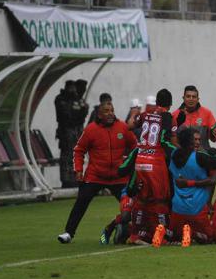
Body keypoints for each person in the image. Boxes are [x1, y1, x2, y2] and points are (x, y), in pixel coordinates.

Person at [57, 102, 137, 243]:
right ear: (99, 115)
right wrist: (79, 170)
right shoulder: (91, 130)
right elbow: (79, 150)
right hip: (95, 176)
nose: (110, 113)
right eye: (106, 111)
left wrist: (129, 165)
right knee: (81, 202)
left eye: (112, 110)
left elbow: (135, 147)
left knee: (133, 206)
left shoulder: (123, 128)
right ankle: (68, 233)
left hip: (119, 177)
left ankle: (129, 232)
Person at [125, 89, 176, 244]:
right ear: (170, 103)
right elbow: (167, 140)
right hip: (156, 162)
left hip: (141, 160)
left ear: (157, 103)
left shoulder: (146, 114)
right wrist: (179, 152)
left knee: (142, 197)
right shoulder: (168, 117)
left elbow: (130, 125)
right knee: (160, 198)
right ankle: (161, 235)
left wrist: (134, 112)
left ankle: (136, 234)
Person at [167, 128, 216, 246]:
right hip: (197, 208)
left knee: (175, 238)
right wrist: (214, 152)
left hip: (177, 208)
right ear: (188, 141)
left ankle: (171, 233)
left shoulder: (173, 155)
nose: (198, 142)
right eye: (195, 140)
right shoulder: (199, 157)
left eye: (199, 139)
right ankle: (193, 234)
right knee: (209, 238)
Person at [55, 80, 89, 188]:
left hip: (77, 132)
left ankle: (76, 178)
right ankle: (67, 180)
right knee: (67, 157)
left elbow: (82, 113)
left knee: (77, 156)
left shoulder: (77, 99)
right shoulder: (61, 99)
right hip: (66, 133)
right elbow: (66, 115)